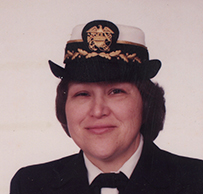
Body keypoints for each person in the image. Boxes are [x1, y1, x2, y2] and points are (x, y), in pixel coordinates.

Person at [10, 20, 203, 194]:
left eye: (116, 92)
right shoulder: (30, 185)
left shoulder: (196, 181)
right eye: (83, 94)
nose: (98, 111)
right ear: (64, 107)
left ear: (146, 104)